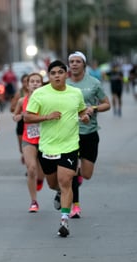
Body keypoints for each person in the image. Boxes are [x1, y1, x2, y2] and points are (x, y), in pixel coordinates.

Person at [24, 60, 90, 237]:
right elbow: (27, 117)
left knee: (66, 180)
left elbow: (82, 111)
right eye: (53, 73)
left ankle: (64, 221)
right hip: (47, 146)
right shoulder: (40, 93)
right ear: (49, 76)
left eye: (60, 72)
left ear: (66, 74)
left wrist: (84, 117)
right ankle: (59, 193)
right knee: (53, 184)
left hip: (69, 145)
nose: (57, 76)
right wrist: (46, 117)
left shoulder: (76, 93)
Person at [66, 51, 110, 218]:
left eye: (78, 61)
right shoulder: (65, 83)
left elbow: (107, 104)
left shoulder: (94, 83)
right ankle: (74, 204)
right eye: (71, 62)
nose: (74, 64)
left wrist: (94, 108)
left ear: (84, 64)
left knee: (86, 174)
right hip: (69, 133)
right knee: (71, 171)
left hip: (90, 133)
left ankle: (72, 183)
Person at [13, 73, 45, 212]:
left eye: (38, 81)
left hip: (45, 139)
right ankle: (34, 201)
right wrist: (20, 116)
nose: (35, 83)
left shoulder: (47, 100)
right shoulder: (22, 101)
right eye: (32, 81)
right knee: (31, 168)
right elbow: (15, 116)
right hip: (28, 139)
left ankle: (40, 180)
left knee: (43, 173)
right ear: (27, 84)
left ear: (42, 84)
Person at [10, 74, 29, 166]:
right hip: (21, 123)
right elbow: (12, 108)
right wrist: (20, 111)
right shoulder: (19, 94)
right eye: (24, 81)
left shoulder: (36, 93)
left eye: (27, 81)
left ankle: (29, 167)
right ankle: (24, 155)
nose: (26, 83)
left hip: (32, 124)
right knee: (22, 148)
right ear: (22, 83)